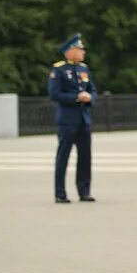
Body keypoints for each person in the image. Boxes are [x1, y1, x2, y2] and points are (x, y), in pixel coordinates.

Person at [49, 33, 97, 203]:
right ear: (70, 51)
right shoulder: (58, 69)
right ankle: (60, 194)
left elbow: (93, 90)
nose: (83, 52)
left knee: (85, 157)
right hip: (67, 121)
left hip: (84, 120)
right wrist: (77, 97)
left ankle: (84, 191)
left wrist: (90, 97)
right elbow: (54, 94)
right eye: (80, 49)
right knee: (63, 157)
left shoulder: (84, 69)